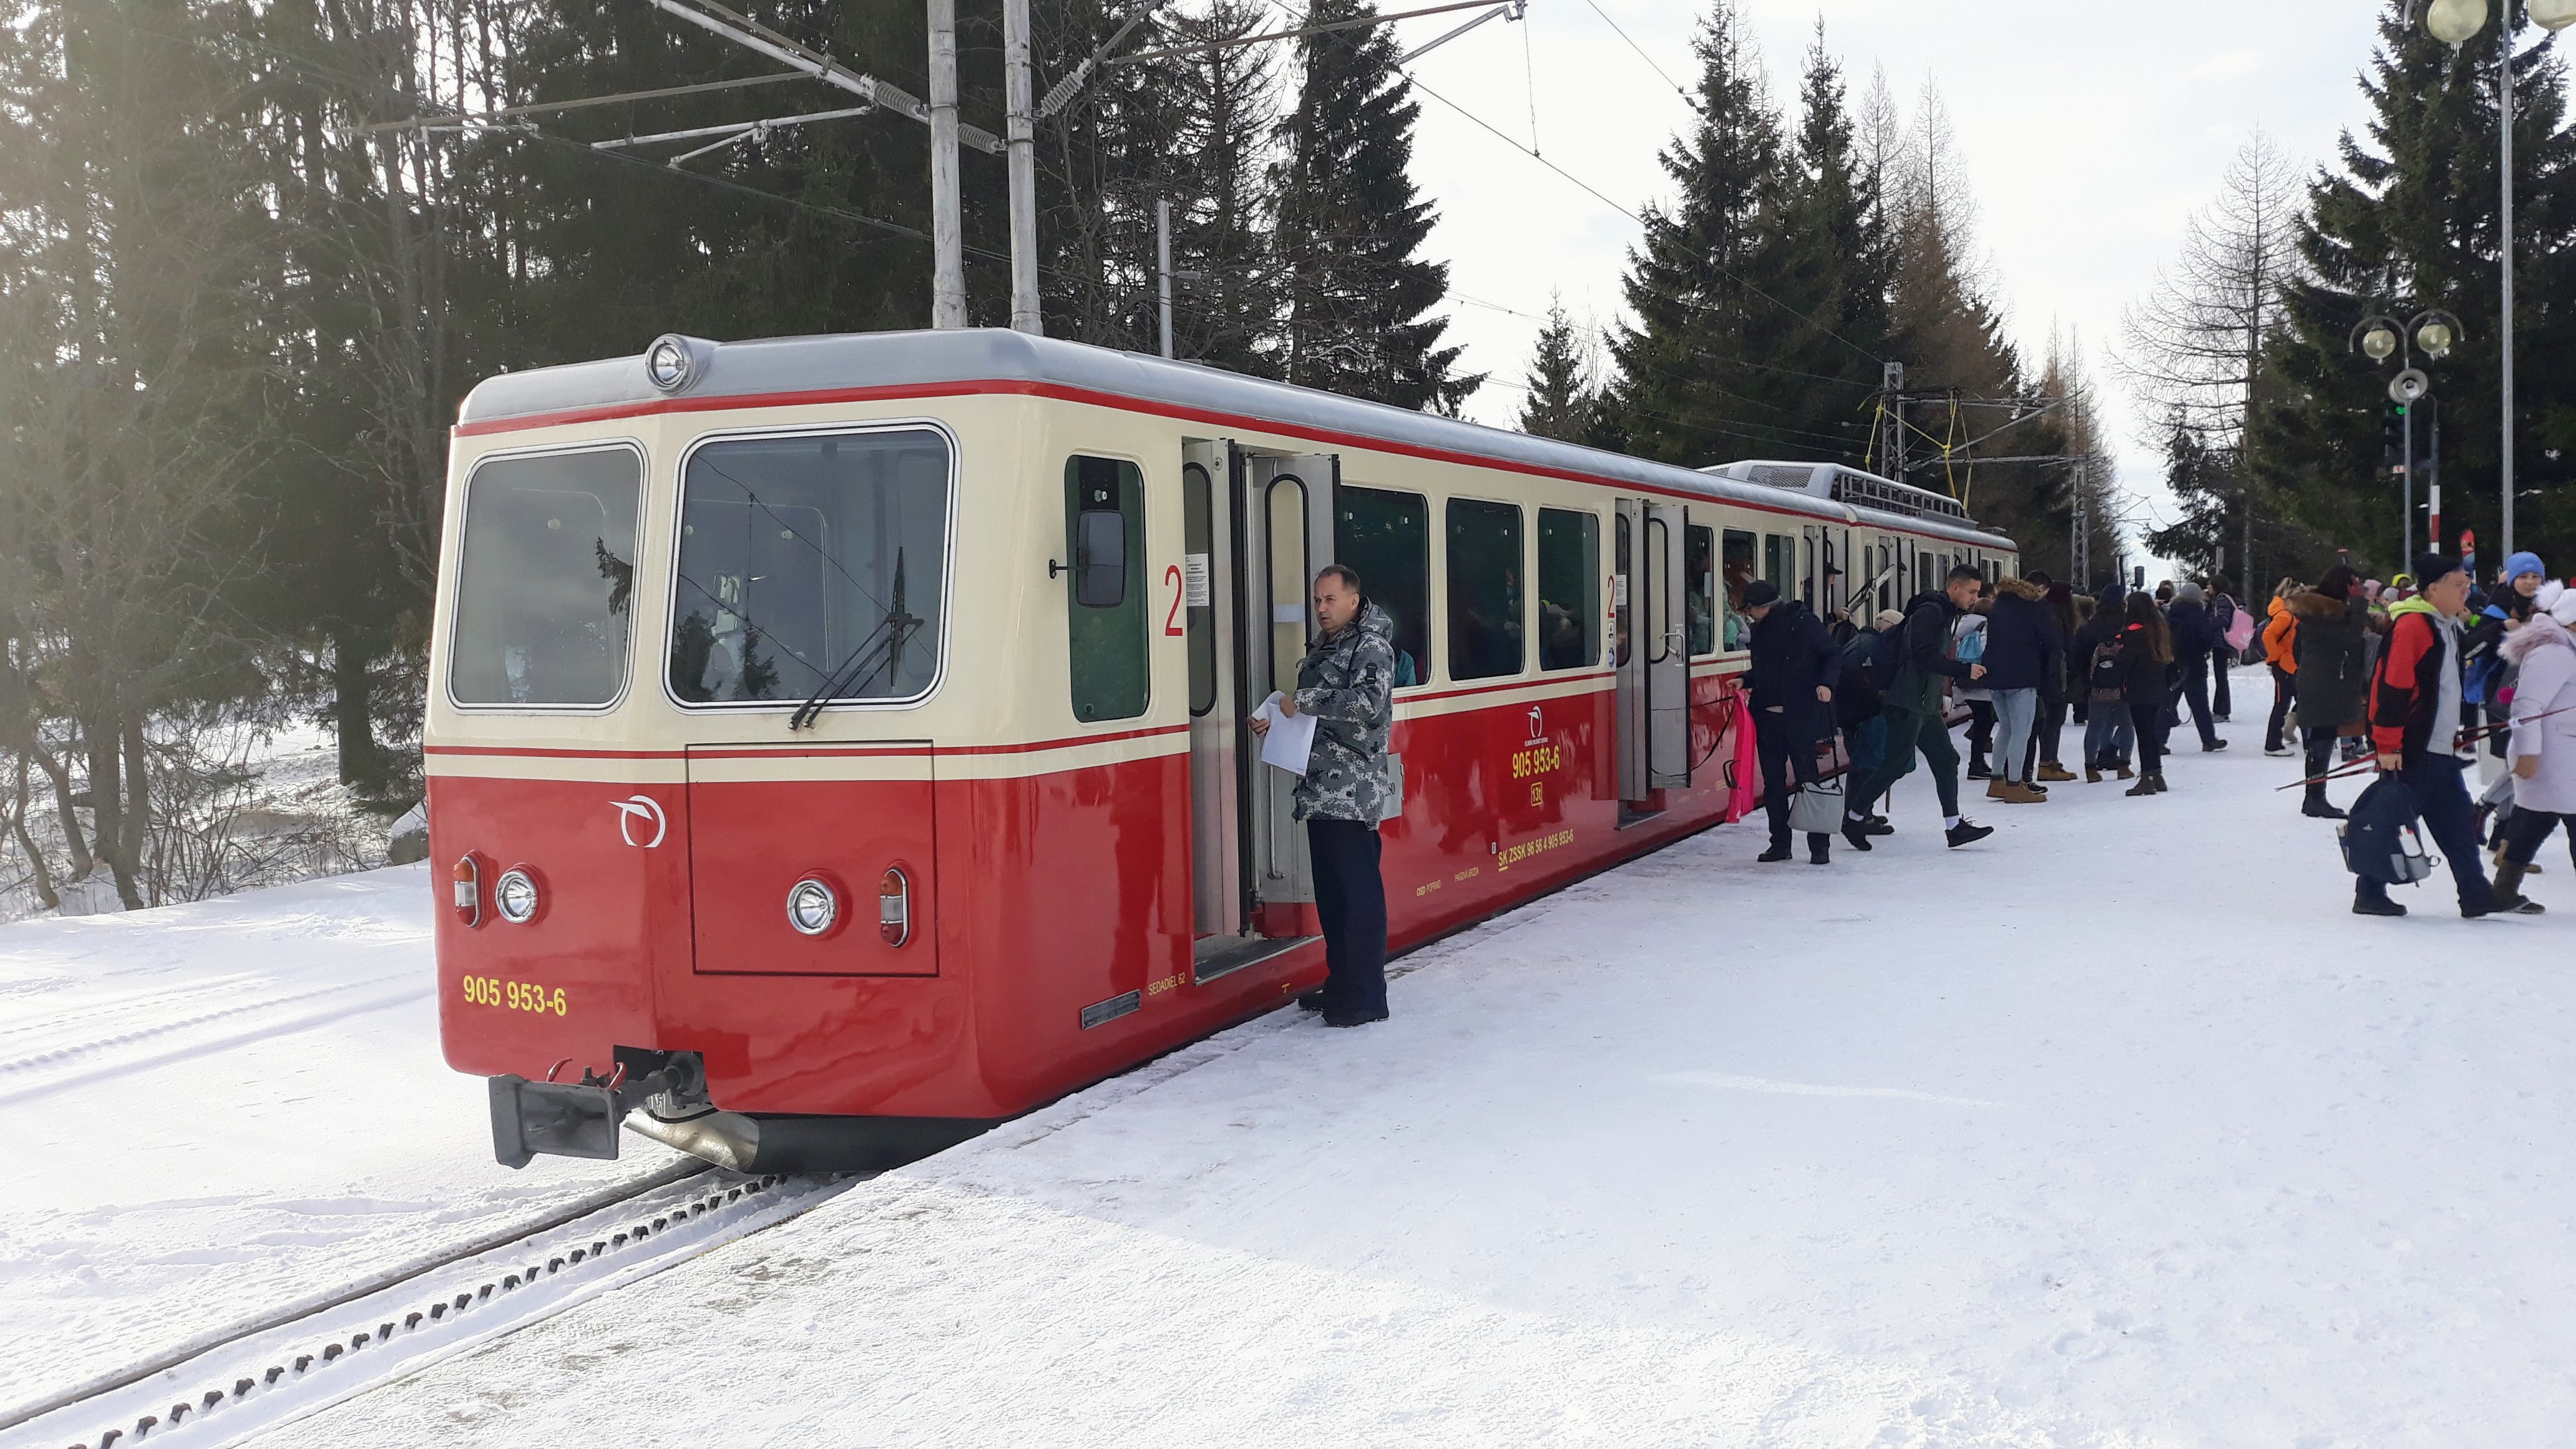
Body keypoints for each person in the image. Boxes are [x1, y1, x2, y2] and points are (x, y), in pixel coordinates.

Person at [1250, 564, 1397, 1025]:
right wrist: (1277, 719)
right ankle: (1342, 986)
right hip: (1320, 788)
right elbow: (1313, 717)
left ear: (1354, 600)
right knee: (1334, 898)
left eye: (1330, 599)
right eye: (1317, 600)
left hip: (1352, 792)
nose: (1321, 608)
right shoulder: (1326, 646)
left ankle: (1368, 997)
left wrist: (1304, 702)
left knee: (1357, 897)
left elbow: (1369, 705)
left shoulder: (1371, 646)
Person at [2351, 555, 2517, 919]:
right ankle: (2369, 892)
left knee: (2457, 821)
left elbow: (2442, 688)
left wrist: (2451, 733)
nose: (2467, 591)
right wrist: (2388, 744)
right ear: (2433, 589)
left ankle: (2475, 894)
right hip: (2413, 749)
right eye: (2459, 585)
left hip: (2436, 747)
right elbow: (2392, 686)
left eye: (2467, 584)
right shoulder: (2414, 626)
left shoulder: (2446, 625)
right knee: (2394, 817)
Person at [1842, 564, 1996, 851]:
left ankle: (1954, 827)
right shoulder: (1930, 613)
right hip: (1907, 700)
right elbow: (1922, 655)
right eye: (1971, 592)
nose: (1975, 598)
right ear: (1955, 588)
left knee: (1947, 760)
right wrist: (1962, 669)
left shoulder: (1944, 613)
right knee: (1895, 764)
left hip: (1923, 703)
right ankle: (1854, 817)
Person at [1743, 580, 1842, 864]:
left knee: (1807, 780)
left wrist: (1827, 684)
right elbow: (1767, 670)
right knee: (1774, 783)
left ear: (1764, 607)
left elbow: (1832, 653)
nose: (1748, 615)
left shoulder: (1804, 624)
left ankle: (1818, 845)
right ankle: (1780, 843)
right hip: (1768, 716)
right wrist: (1746, 679)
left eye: (1751, 609)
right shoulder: (1760, 629)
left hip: (1799, 716)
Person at [2494, 581, 2576, 909]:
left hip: (2560, 753)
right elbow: (2527, 705)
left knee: (2535, 820)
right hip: (2552, 755)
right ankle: (2503, 890)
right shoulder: (2555, 652)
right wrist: (2528, 753)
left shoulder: (2565, 647)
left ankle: (2503, 890)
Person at [2287, 565, 2370, 819]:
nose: (2360, 589)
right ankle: (2315, 799)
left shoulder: (2316, 611)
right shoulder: (2325, 613)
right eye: (2355, 585)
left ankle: (2314, 797)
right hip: (2325, 681)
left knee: (2322, 737)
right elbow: (2352, 637)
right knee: (2322, 739)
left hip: (2321, 679)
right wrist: (2358, 604)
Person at [1979, 575, 2061, 804]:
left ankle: (1997, 781)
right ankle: (2015, 785)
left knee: (2005, 728)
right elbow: (2051, 641)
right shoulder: (2032, 610)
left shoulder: (1996, 610)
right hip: (2023, 675)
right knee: (2021, 731)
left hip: (1995, 676)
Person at [1837, 608, 1903, 801]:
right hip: (1863, 712)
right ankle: (1859, 814)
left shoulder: (1859, 641)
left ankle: (1862, 812)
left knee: (1859, 762)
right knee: (1865, 765)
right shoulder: (1874, 647)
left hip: (1848, 710)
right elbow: (1875, 681)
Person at [2116, 590, 2176, 796]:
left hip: (2138, 688)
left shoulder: (2133, 632)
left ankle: (2146, 777)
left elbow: (2124, 662)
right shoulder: (2159, 629)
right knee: (2151, 733)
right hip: (2157, 687)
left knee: (2143, 734)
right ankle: (2157, 774)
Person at [2074, 585, 2135, 781]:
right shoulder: (2128, 626)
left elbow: (2079, 658)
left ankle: (2091, 769)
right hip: (2124, 684)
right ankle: (2124, 766)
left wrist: (2086, 682)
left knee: (2095, 726)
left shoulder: (2089, 627)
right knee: (2126, 724)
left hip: (2097, 686)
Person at [2028, 583, 2082, 783]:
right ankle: (2047, 762)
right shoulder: (2058, 619)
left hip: (2048, 674)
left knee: (2050, 720)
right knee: (2053, 720)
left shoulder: (2045, 614)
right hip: (2056, 675)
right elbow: (2060, 650)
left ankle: (2050, 761)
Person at [2166, 582, 2228, 753]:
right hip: (2194, 662)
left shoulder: (2170, 613)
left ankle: (2159, 740)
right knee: (2200, 704)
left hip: (2173, 662)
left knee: (2168, 702)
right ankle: (2208, 740)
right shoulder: (2197, 614)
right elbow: (2205, 637)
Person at [1954, 589, 1996, 779]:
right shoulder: (1985, 627)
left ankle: (1977, 763)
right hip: (1982, 685)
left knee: (1981, 723)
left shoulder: (1964, 627)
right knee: (1983, 724)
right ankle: (1976, 764)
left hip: (1965, 682)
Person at [2262, 577, 2302, 756]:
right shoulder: (2285, 616)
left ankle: (2276, 741)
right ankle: (2272, 744)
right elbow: (2268, 635)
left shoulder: (2286, 614)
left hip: (2288, 665)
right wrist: (2276, 657)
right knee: (2281, 705)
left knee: (2285, 703)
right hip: (2284, 666)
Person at [2207, 575, 2240, 721]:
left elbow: (2224, 618)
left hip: (2221, 641)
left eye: (2210, 585)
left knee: (2221, 676)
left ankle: (2222, 711)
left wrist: (2208, 623)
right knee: (2221, 676)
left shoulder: (2222, 598)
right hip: (2226, 642)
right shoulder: (2230, 597)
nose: (2208, 588)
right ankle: (2221, 709)